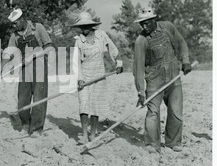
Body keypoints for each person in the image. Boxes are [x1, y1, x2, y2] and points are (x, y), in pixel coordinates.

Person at [133, 8, 192, 154]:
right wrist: (141, 91)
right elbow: (138, 69)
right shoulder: (141, 41)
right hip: (154, 79)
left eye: (146, 23)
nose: (144, 27)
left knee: (176, 111)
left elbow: (181, 43)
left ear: (154, 20)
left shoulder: (168, 27)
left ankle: (173, 142)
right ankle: (153, 144)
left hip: (173, 76)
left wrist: (185, 61)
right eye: (142, 24)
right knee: (153, 112)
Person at [70, 11, 123, 144]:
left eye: (86, 26)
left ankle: (93, 134)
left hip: (99, 75)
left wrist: (119, 63)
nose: (84, 29)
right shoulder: (79, 41)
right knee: (83, 104)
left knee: (95, 106)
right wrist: (79, 79)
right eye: (82, 27)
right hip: (85, 75)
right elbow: (76, 62)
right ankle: (84, 134)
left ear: (92, 25)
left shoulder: (101, 35)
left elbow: (113, 50)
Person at [3, 8, 53, 138]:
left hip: (40, 67)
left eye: (16, 23)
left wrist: (35, 54)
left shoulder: (38, 28)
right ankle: (26, 125)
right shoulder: (15, 36)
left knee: (38, 99)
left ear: (23, 19)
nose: (14, 26)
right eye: (13, 24)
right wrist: (3, 67)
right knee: (22, 101)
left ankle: (36, 129)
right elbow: (9, 53)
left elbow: (49, 47)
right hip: (24, 69)